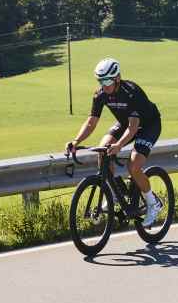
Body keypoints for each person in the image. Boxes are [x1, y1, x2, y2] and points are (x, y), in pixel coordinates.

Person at [66, 58, 164, 226]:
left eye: (107, 80)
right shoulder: (101, 94)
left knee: (133, 165)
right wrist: (76, 141)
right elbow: (91, 122)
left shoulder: (131, 92)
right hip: (126, 123)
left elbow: (133, 128)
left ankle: (153, 203)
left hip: (148, 125)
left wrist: (119, 146)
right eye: (100, 81)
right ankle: (114, 193)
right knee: (102, 151)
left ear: (117, 78)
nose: (104, 85)